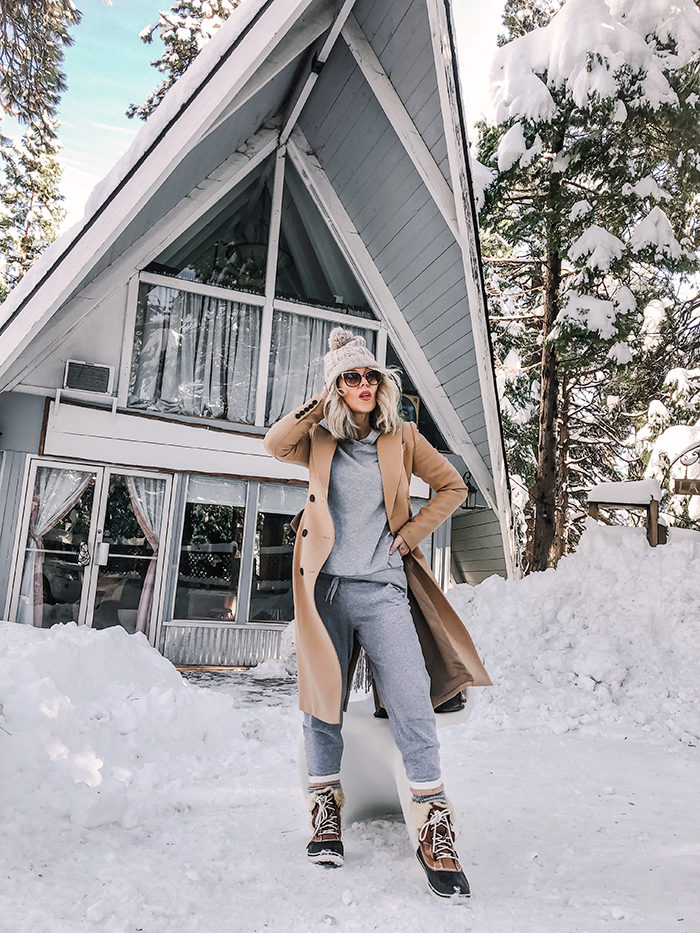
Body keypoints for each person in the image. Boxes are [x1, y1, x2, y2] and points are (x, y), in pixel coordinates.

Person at [263, 327, 491, 901]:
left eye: (370, 376)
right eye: (351, 377)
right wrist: (322, 397)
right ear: (337, 386)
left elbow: (452, 487)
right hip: (325, 589)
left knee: (413, 699)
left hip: (384, 588)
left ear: (382, 384)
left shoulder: (403, 436)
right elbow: (273, 443)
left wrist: (411, 534)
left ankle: (434, 826)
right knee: (324, 704)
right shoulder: (316, 438)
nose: (363, 385)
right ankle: (324, 810)